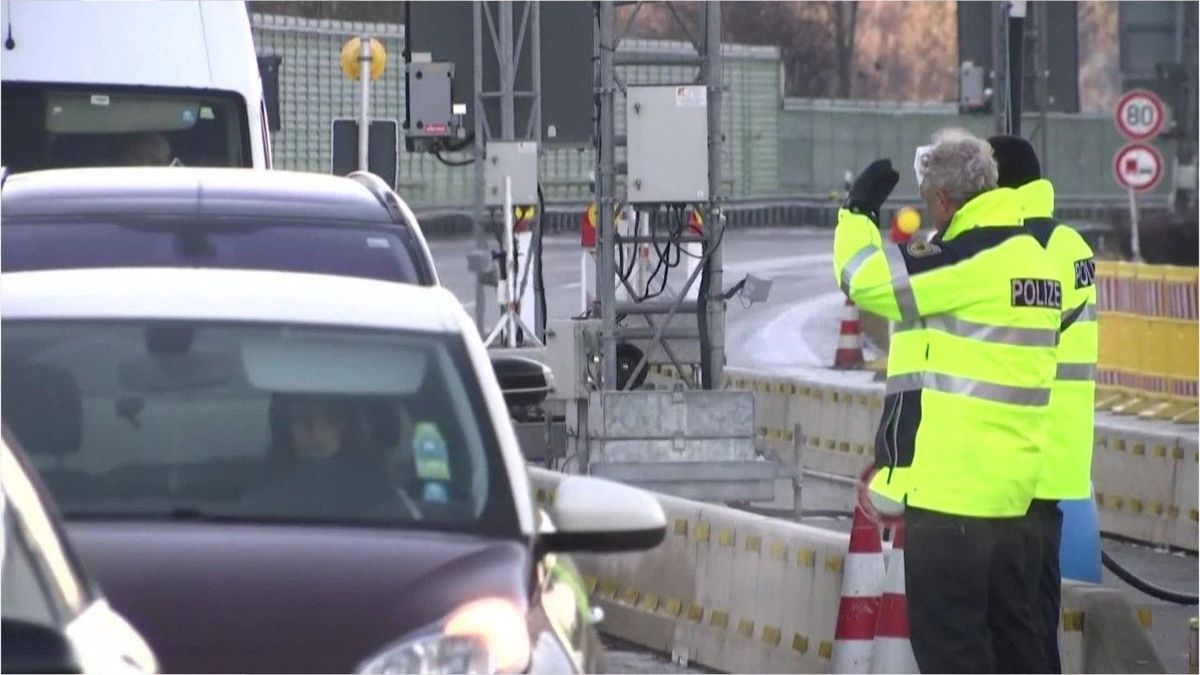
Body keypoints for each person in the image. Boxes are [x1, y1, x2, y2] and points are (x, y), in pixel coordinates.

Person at [834, 128, 1060, 673]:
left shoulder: (966, 259)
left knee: (952, 652)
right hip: (1018, 499)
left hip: (956, 502)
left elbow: (865, 281)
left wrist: (856, 216)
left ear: (942, 200)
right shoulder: (1034, 256)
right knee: (1018, 648)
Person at [990, 134, 1100, 674]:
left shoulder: (1018, 248)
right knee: (1037, 609)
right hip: (1056, 456)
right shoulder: (1070, 244)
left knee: (1015, 618)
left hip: (1017, 455)